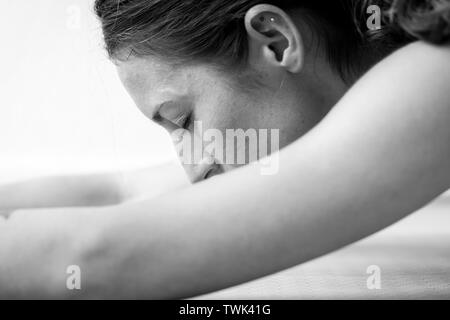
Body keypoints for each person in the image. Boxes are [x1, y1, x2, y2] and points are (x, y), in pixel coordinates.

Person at [0, 0, 449, 299]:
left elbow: (92, 258)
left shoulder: (436, 77)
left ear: (276, 42)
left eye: (185, 120)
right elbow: (126, 190)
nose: (194, 172)